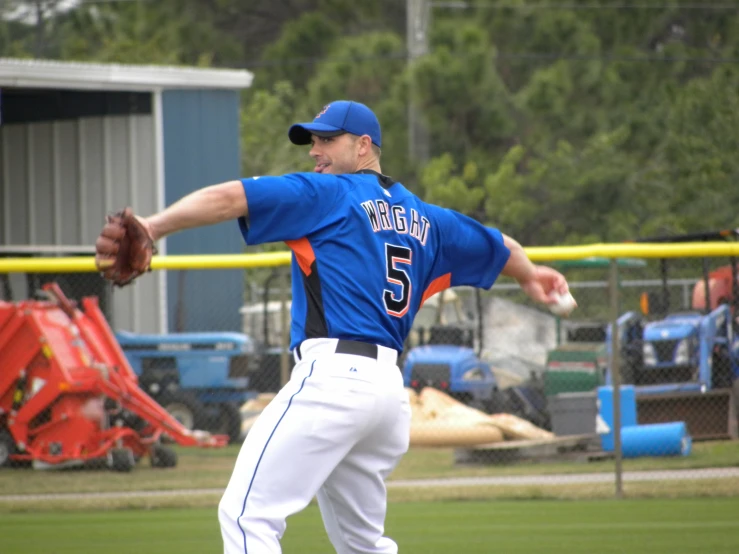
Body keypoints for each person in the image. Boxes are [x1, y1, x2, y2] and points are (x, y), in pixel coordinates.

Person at [97, 100, 573, 553]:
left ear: (363, 146)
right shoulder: (429, 219)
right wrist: (531, 274)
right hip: (387, 394)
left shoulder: (327, 194)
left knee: (246, 515)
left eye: (328, 139)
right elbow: (500, 245)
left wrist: (155, 226)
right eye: (311, 141)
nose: (315, 150)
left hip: (333, 380)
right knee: (362, 544)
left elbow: (230, 197)